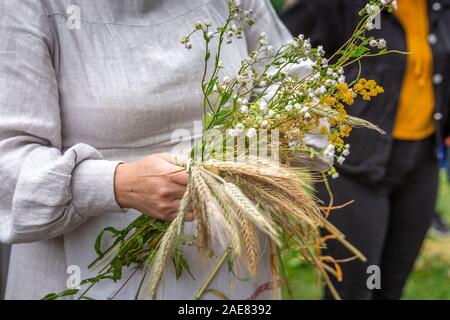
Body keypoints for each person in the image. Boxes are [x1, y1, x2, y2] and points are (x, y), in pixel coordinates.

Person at [0, 0, 293, 300]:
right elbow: (8, 165)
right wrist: (117, 184)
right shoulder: (29, 7)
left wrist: (264, 139)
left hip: (233, 269)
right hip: (97, 277)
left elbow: (291, 76)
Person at [283, 0, 450, 299]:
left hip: (419, 165)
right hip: (353, 168)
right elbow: (283, 56)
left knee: (389, 288)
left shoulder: (439, 8)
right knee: (353, 291)